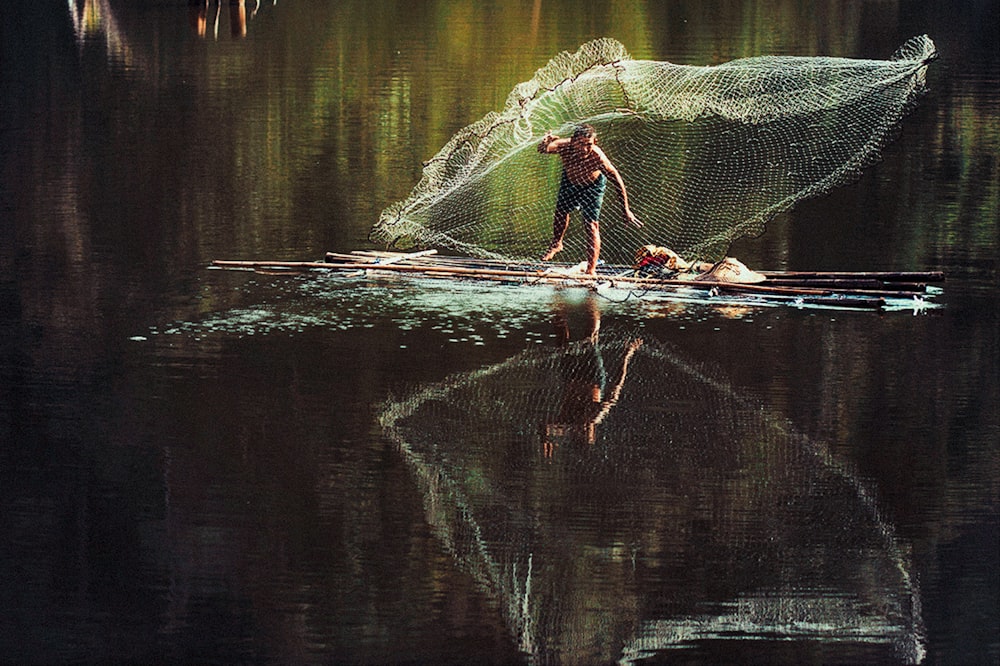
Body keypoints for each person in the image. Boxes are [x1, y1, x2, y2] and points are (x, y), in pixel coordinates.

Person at [538, 124, 642, 275]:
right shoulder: (563, 146)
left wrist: (625, 209)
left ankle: (591, 269)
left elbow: (616, 179)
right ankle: (557, 243)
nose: (584, 149)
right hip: (570, 181)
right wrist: (545, 142)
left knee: (591, 225)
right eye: (580, 144)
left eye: (589, 145)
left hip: (593, 186)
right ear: (573, 141)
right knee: (561, 212)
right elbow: (543, 150)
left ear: (595, 142)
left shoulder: (597, 157)